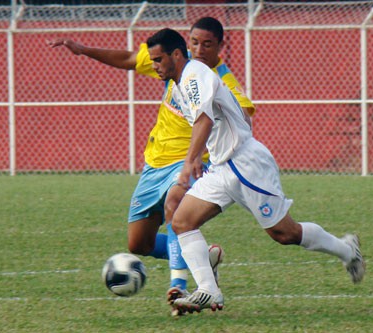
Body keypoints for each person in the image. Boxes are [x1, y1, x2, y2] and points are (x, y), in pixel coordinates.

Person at [143, 28, 366, 314]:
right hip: (223, 167)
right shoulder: (178, 86)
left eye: (159, 59)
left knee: (284, 233)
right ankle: (209, 291)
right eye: (151, 60)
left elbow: (204, 119)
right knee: (181, 219)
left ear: (176, 54)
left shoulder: (193, 74)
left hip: (245, 164)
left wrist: (190, 164)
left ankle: (347, 250)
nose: (155, 66)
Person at [48, 17, 255, 316]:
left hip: (188, 163)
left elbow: (243, 117)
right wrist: (82, 49)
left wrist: (209, 152)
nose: (199, 49)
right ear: (183, 45)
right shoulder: (171, 62)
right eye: (194, 42)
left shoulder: (221, 79)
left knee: (175, 205)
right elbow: (130, 58)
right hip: (153, 165)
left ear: (220, 47)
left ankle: (179, 286)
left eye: (207, 44)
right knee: (138, 243)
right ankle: (201, 257)